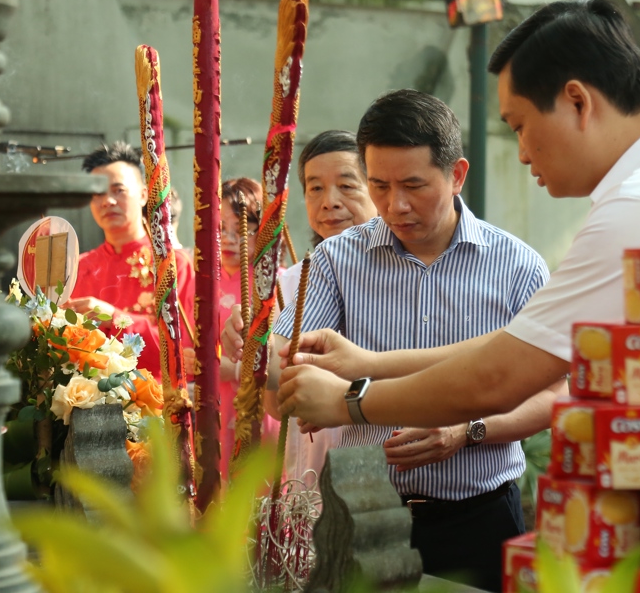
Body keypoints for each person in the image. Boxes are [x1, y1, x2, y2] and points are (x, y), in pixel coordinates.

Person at [273, 0, 640, 587]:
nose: (522, 151)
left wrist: (352, 399)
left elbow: (503, 376)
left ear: (578, 101)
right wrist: (370, 365)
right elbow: (521, 345)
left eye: (521, 125)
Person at [261, 91, 556, 591]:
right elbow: (284, 370)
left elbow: (555, 394)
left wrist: (469, 430)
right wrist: (261, 356)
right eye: (379, 185)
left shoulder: (517, 266)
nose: (395, 205)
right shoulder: (335, 261)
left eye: (414, 185)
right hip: (359, 513)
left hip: (477, 516)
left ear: (457, 174)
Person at [275, 130, 379, 488]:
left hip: (381, 466)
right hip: (310, 465)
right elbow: (276, 401)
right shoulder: (286, 283)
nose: (330, 201)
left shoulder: (401, 274)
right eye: (315, 188)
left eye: (348, 186)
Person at [67, 141, 195, 381]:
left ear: (144, 194)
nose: (108, 201)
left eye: (119, 190)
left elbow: (185, 352)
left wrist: (113, 318)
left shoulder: (173, 264)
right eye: (98, 193)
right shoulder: (77, 269)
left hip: (157, 409)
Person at [211, 177, 280, 480]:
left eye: (240, 229)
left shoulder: (274, 283)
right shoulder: (202, 280)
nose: (228, 238)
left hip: (262, 405)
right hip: (215, 404)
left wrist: (235, 370)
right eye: (220, 229)